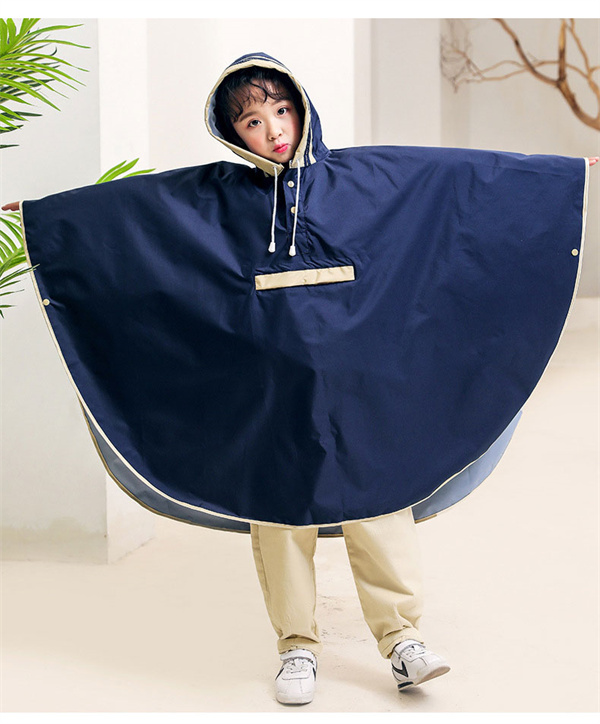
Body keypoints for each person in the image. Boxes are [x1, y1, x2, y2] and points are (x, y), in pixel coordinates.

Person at [3, 52, 597, 708]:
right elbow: (135, 214)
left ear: (301, 107)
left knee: (381, 500)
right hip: (271, 395)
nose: (274, 130)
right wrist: (44, 220)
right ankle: (297, 646)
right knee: (281, 512)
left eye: (281, 110)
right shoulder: (216, 198)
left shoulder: (365, 179)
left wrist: (559, 178)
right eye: (253, 122)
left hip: (364, 388)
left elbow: (455, 182)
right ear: (232, 132)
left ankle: (403, 639)